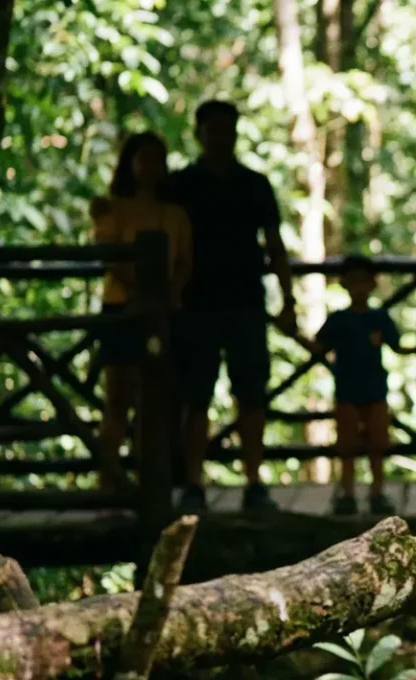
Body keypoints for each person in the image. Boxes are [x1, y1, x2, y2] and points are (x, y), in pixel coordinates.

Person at [163, 100, 298, 512]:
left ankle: (254, 482)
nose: (221, 136)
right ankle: (193, 484)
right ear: (199, 134)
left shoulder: (254, 184)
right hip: (195, 306)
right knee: (196, 396)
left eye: (228, 129)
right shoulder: (180, 185)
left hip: (245, 304)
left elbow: (274, 247)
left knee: (252, 395)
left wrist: (288, 299)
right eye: (213, 129)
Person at [90, 132, 192, 493]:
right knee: (118, 399)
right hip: (122, 310)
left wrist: (167, 294)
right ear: (130, 165)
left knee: (157, 400)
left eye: (157, 160)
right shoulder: (114, 208)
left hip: (164, 314)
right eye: (143, 159)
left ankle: (146, 485)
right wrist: (142, 290)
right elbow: (108, 253)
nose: (150, 167)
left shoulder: (175, 213)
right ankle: (108, 483)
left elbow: (184, 262)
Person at [309, 255, 412, 516]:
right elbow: (318, 346)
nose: (358, 287)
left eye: (363, 281)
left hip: (375, 389)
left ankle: (377, 491)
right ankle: (347, 492)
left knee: (377, 442)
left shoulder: (379, 317)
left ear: (372, 284)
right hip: (346, 390)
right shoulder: (339, 319)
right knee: (347, 443)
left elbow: (397, 346)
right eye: (352, 281)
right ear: (344, 284)